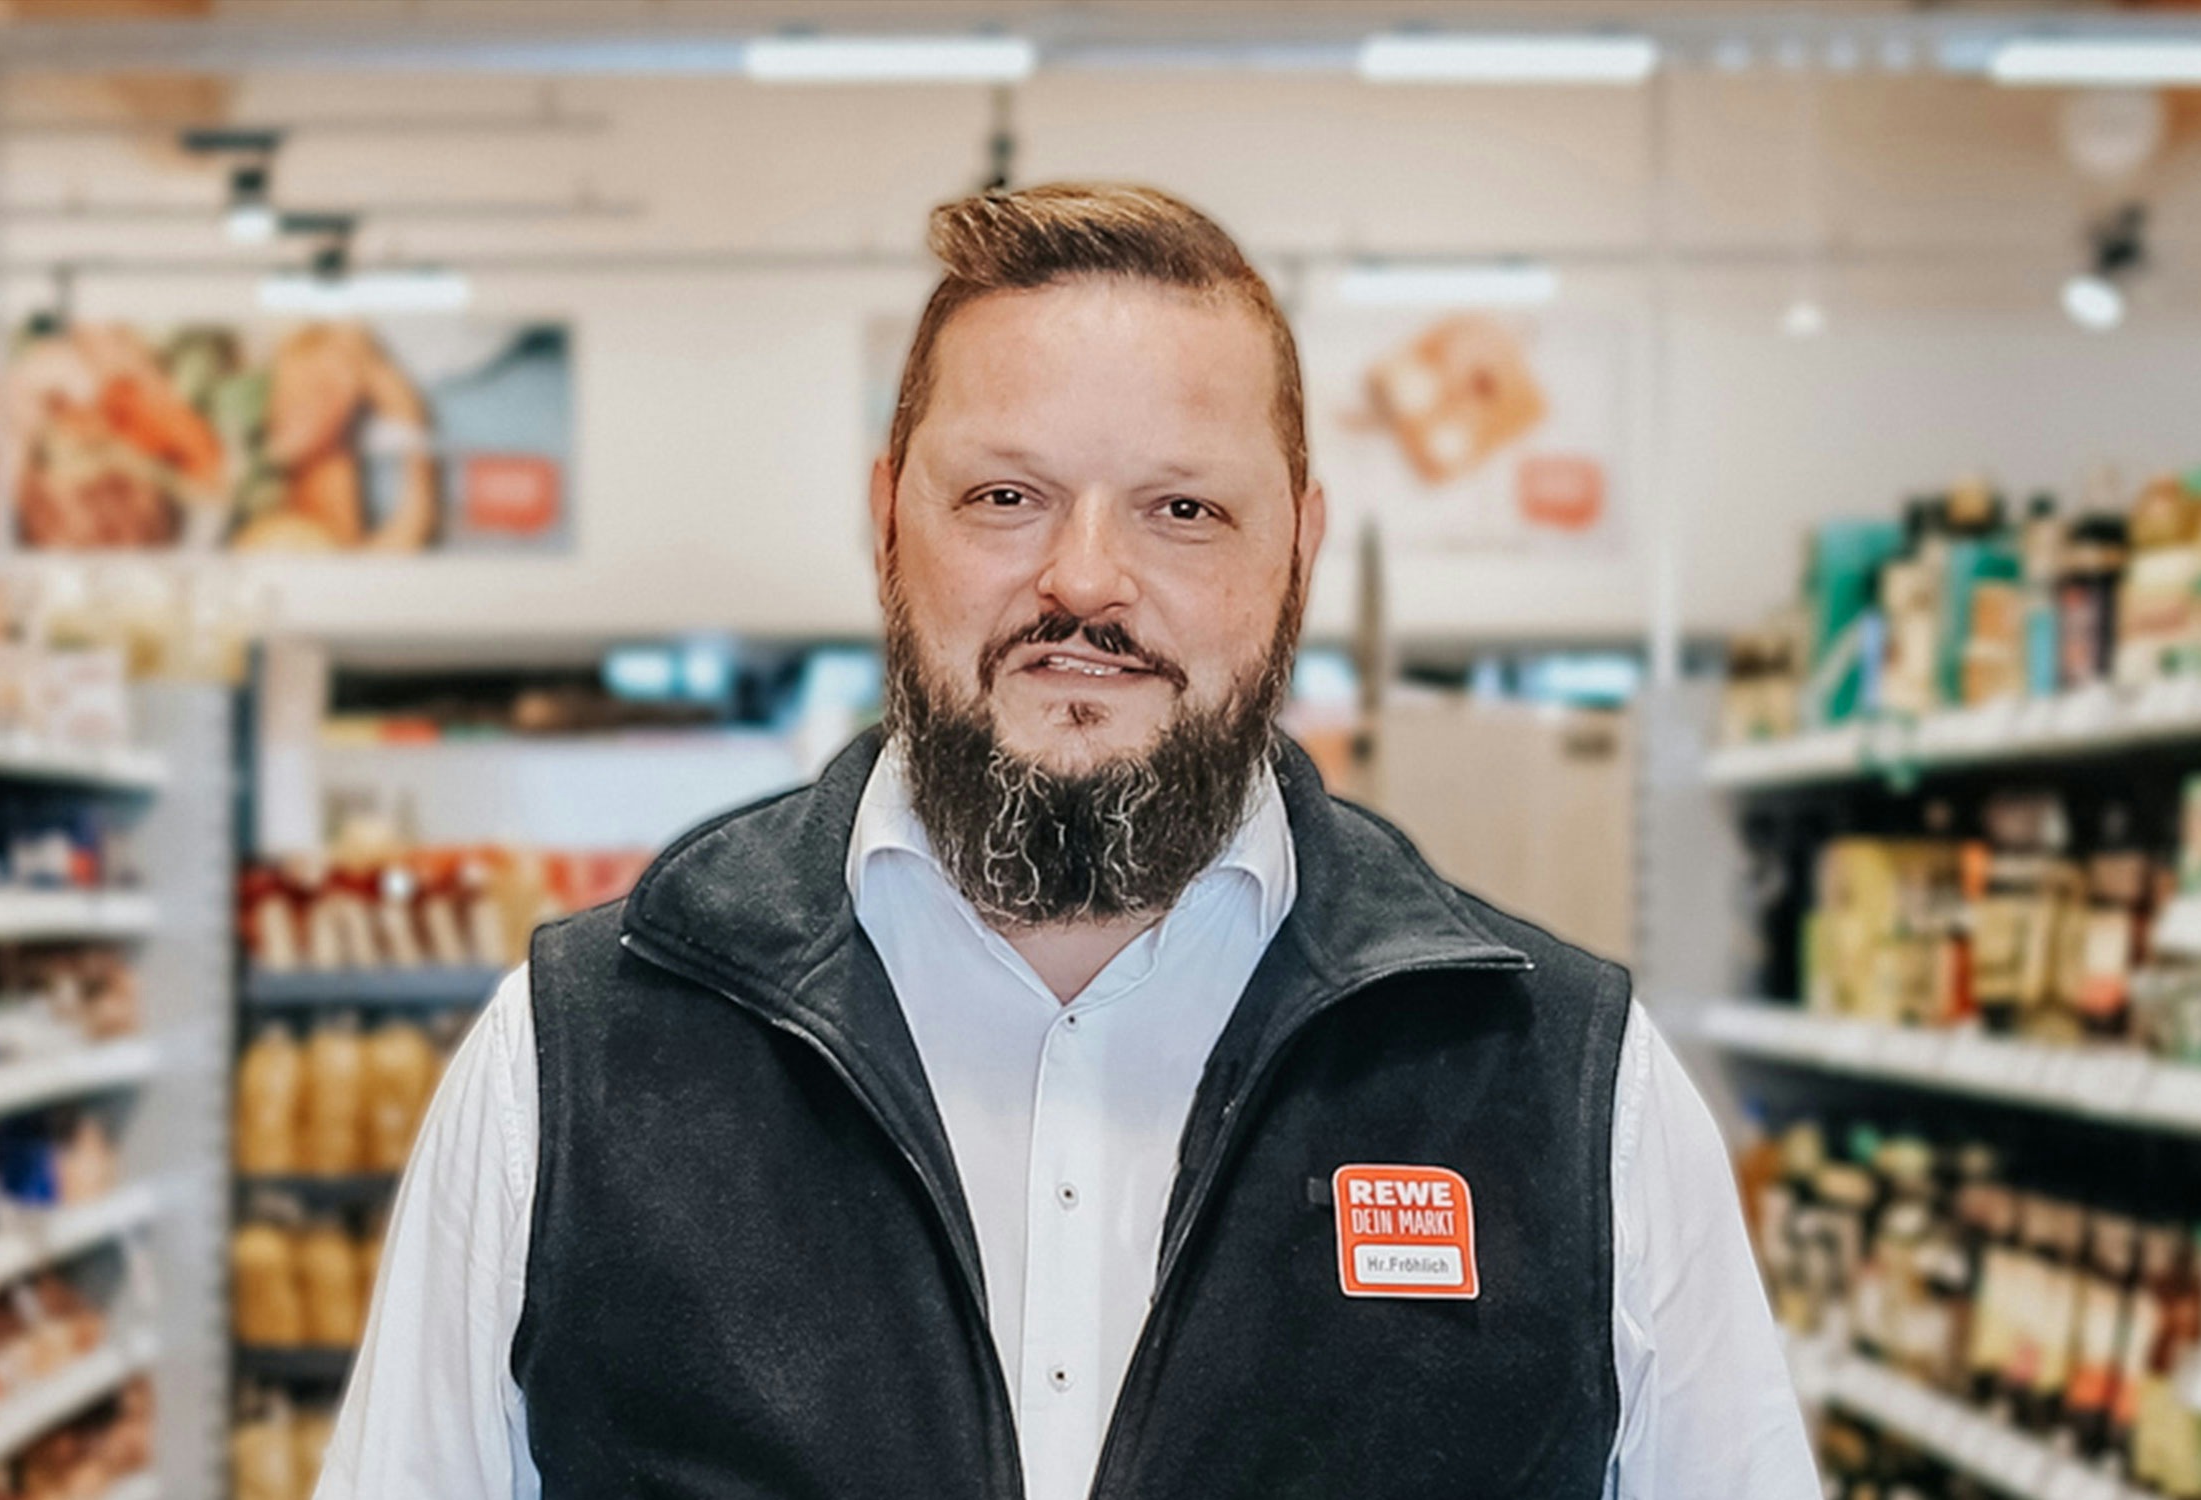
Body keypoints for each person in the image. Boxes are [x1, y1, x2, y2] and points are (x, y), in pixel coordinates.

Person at [317, 182, 1818, 1499]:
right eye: (1005, 496)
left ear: (1297, 548)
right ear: (885, 524)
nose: (1084, 581)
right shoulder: (574, 1065)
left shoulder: (1566, 1090)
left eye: (1180, 507)